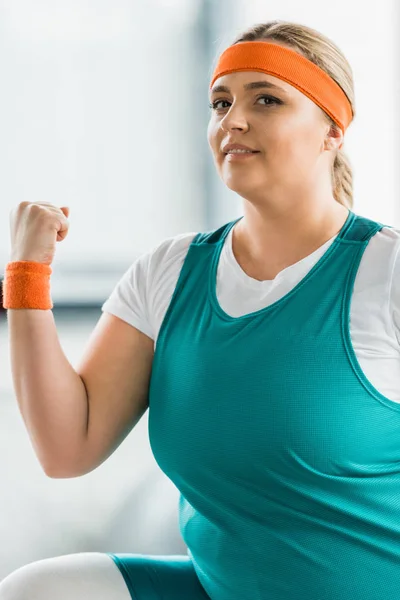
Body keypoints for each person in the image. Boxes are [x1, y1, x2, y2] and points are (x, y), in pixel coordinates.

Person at [1, 18, 400, 600]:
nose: (232, 121)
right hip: (219, 588)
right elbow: (69, 446)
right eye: (220, 102)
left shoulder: (385, 272)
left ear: (331, 131)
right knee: (41, 590)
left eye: (267, 99)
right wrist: (27, 278)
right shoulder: (170, 271)